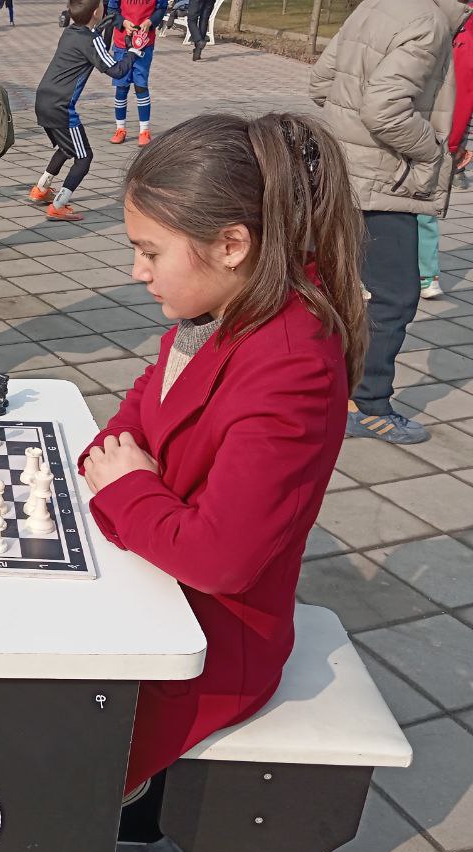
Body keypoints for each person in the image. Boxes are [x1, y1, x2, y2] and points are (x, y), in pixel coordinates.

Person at [79, 112, 367, 808]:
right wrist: (125, 476)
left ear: (232, 244)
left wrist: (129, 489)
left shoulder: (292, 363)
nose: (137, 272)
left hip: (212, 642)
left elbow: (221, 560)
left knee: (45, 754)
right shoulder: (219, 313)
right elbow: (131, 422)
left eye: (150, 252)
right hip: (159, 582)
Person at [310, 0, 468, 445]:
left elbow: (321, 82)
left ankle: (326, 391)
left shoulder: (378, 4)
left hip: (341, 171)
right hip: (382, 182)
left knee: (339, 289)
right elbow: (384, 108)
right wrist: (433, 152)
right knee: (393, 296)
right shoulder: (429, 22)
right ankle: (367, 404)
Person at [30, 0, 143, 222]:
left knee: (66, 147)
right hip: (62, 107)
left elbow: (95, 33)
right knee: (84, 157)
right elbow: (117, 71)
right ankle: (58, 205)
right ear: (95, 12)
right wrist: (133, 51)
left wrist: (117, 22)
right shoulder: (92, 40)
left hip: (43, 100)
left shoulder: (70, 32)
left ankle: (41, 189)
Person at [419, 16, 473, 301]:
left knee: (420, 203)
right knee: (419, 204)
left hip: (437, 130)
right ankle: (424, 273)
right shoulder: (442, 21)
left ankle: (425, 272)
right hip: (430, 127)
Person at [107, 0, 165, 147]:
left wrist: (150, 22)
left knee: (141, 86)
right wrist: (123, 22)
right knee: (121, 86)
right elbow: (112, 10)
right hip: (122, 43)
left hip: (144, 43)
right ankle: (120, 128)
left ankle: (144, 131)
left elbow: (161, 8)